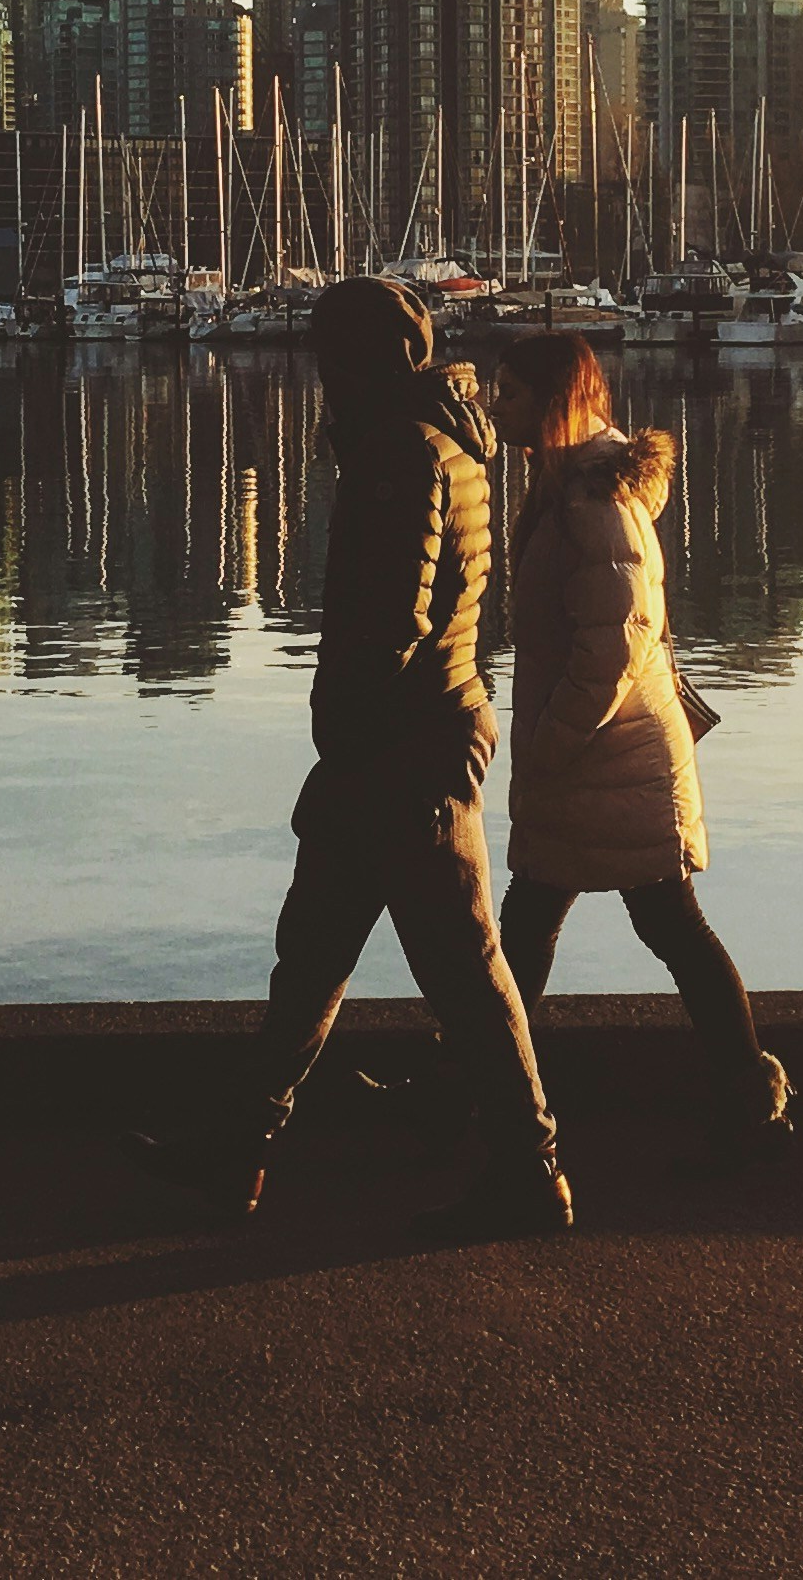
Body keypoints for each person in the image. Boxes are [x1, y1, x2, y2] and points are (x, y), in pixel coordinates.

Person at [137, 275, 570, 1238]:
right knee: (315, 954)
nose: (321, 379)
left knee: (462, 966)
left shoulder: (399, 454)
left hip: (399, 747)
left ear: (358, 363)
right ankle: (241, 1145)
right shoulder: (453, 443)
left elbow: (389, 619)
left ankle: (532, 1169)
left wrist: (343, 731)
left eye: (329, 361)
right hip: (424, 728)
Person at [488, 332, 791, 1168]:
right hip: (605, 753)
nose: (494, 405)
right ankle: (743, 1086)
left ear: (552, 402)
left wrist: (550, 741)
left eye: (509, 391)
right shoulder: (568, 486)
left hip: (608, 755)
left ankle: (748, 1086)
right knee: (547, 922)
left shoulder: (593, 501)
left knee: (654, 920)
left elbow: (617, 643)